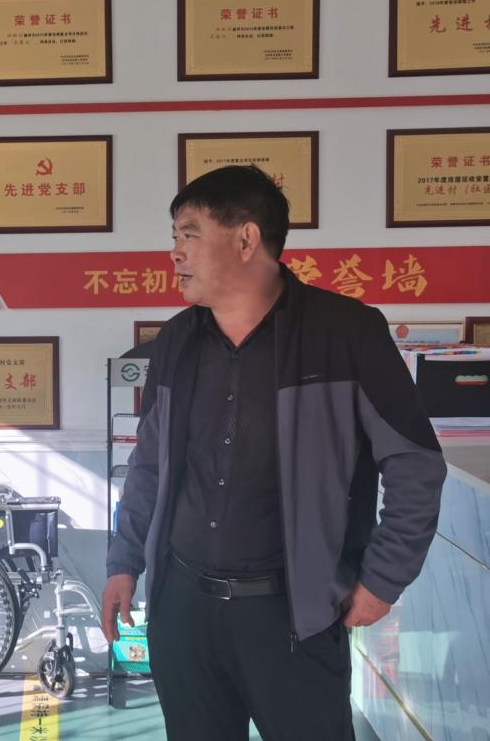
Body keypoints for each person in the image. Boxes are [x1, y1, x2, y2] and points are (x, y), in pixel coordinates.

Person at [101, 165, 445, 740]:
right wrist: (123, 561)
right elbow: (150, 465)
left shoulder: (346, 333)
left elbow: (414, 463)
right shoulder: (176, 342)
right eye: (174, 237)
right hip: (183, 610)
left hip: (294, 616)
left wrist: (383, 579)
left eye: (189, 235)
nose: (175, 253)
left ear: (246, 239)